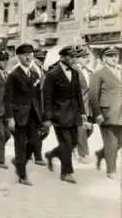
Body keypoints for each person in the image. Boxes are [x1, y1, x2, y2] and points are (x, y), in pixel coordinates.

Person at [43, 45, 86, 184]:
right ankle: (66, 173)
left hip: (73, 114)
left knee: (73, 142)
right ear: (62, 57)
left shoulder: (74, 73)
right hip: (58, 115)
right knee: (66, 143)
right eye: (71, 57)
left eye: (75, 57)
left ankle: (52, 154)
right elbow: (47, 98)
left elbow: (78, 94)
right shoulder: (52, 74)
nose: (74, 60)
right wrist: (48, 117)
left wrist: (83, 112)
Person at [4, 43, 43, 186]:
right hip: (19, 116)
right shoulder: (13, 75)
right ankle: (22, 175)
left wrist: (42, 115)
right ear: (19, 56)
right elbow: (7, 98)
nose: (28, 58)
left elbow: (38, 97)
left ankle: (19, 162)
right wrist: (10, 118)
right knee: (20, 146)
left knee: (34, 143)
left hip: (33, 115)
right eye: (25, 55)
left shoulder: (34, 74)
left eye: (30, 55)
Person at [89, 46, 122, 180]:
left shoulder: (120, 71)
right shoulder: (98, 74)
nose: (114, 59)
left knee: (119, 142)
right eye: (110, 56)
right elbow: (92, 95)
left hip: (121, 113)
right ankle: (111, 170)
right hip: (107, 113)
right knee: (111, 142)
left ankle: (101, 154)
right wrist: (97, 114)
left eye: (116, 56)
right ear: (103, 58)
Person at [74, 46, 94, 163]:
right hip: (79, 105)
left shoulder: (88, 70)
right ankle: (83, 154)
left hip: (89, 106)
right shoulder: (74, 70)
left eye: (88, 57)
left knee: (90, 130)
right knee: (81, 130)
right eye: (84, 57)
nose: (87, 59)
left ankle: (73, 147)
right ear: (77, 59)